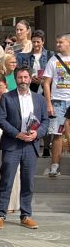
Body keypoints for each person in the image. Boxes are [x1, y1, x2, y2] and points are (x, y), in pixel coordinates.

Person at [0, 67, 49, 229]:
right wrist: (17, 134)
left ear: (30, 79)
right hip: (13, 144)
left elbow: (45, 120)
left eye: (25, 77)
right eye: (20, 77)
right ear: (15, 79)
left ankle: (26, 215)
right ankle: (0, 214)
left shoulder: (39, 99)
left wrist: (36, 133)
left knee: (28, 182)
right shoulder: (7, 97)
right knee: (6, 179)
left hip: (31, 144)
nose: (23, 80)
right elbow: (1, 120)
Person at [0, 74, 21, 213]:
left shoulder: (13, 98)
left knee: (9, 169)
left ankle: (11, 204)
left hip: (7, 136)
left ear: (6, 85)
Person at [42, 33, 70, 178]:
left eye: (61, 42)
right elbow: (46, 83)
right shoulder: (53, 60)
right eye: (57, 42)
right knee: (57, 134)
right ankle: (55, 165)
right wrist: (48, 103)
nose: (58, 45)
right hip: (58, 101)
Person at [17, 29, 53, 94]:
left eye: (38, 42)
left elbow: (54, 74)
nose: (35, 44)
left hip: (46, 89)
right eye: (33, 42)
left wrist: (42, 81)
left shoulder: (50, 55)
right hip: (31, 88)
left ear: (43, 41)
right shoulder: (26, 57)